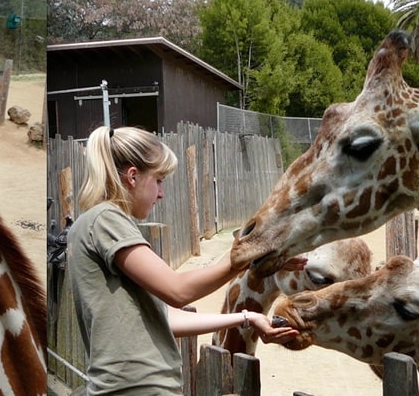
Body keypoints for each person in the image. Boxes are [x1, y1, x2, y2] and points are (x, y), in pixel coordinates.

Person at [67, 125, 301, 395]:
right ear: (133, 176)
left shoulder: (95, 223)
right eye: (159, 180)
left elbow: (166, 317)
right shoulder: (106, 220)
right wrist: (245, 258)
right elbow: (177, 290)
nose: (161, 194)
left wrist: (246, 317)